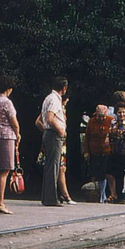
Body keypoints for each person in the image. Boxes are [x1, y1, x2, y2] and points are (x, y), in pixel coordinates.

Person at [0, 75, 21, 214]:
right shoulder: (7, 102)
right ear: (9, 88)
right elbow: (13, 121)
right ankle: (0, 202)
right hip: (7, 136)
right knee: (5, 170)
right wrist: (18, 133)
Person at [40, 77, 69, 207]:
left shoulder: (48, 98)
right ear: (64, 88)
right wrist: (60, 130)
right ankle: (51, 198)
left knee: (50, 165)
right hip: (54, 134)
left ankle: (47, 197)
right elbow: (50, 118)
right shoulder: (55, 100)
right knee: (54, 166)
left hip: (49, 133)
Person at [83, 104, 114, 202]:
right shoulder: (91, 121)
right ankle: (97, 194)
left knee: (105, 173)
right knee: (95, 173)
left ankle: (105, 194)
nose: (101, 118)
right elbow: (87, 137)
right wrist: (86, 151)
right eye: (99, 116)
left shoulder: (111, 120)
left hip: (107, 151)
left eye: (103, 116)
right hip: (94, 151)